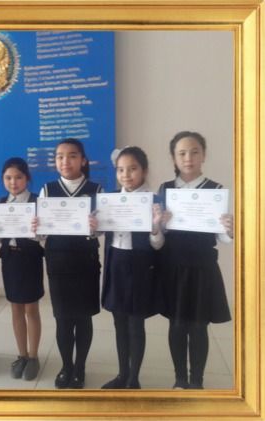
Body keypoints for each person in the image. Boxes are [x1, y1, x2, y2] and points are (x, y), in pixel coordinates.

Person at [158, 131, 233, 389]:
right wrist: (160, 224)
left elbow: (223, 238)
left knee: (199, 326)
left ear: (204, 155)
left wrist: (229, 228)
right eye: (182, 153)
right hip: (173, 267)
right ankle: (180, 379)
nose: (188, 158)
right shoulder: (166, 189)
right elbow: (159, 235)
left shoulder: (216, 191)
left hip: (202, 268)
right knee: (177, 325)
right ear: (173, 158)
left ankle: (197, 381)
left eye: (194, 152)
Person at [33, 138, 102, 389]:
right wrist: (36, 228)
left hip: (86, 262)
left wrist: (97, 227)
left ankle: (80, 367)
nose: (65, 161)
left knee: (83, 319)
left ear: (83, 160)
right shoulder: (47, 190)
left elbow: (102, 230)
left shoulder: (96, 190)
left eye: (72, 155)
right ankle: (66, 366)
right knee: (63, 319)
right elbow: (41, 236)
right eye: (60, 156)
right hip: (58, 262)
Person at [100, 146, 163, 389]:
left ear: (144, 171)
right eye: (121, 170)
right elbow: (101, 232)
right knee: (119, 323)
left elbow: (158, 245)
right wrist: (94, 224)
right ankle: (122, 374)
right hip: (115, 263)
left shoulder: (154, 201)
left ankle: (134, 379)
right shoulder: (111, 199)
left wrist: (155, 226)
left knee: (136, 325)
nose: (126, 175)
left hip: (139, 267)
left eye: (132, 169)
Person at [0, 157, 44, 381]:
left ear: (27, 178)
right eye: (8, 178)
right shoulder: (0, 203)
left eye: (18, 177)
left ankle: (33, 356)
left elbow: (44, 236)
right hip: (10, 260)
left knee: (31, 309)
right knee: (15, 309)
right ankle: (22, 355)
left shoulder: (37, 202)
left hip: (30, 259)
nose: (13, 182)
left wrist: (38, 229)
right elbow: (0, 237)